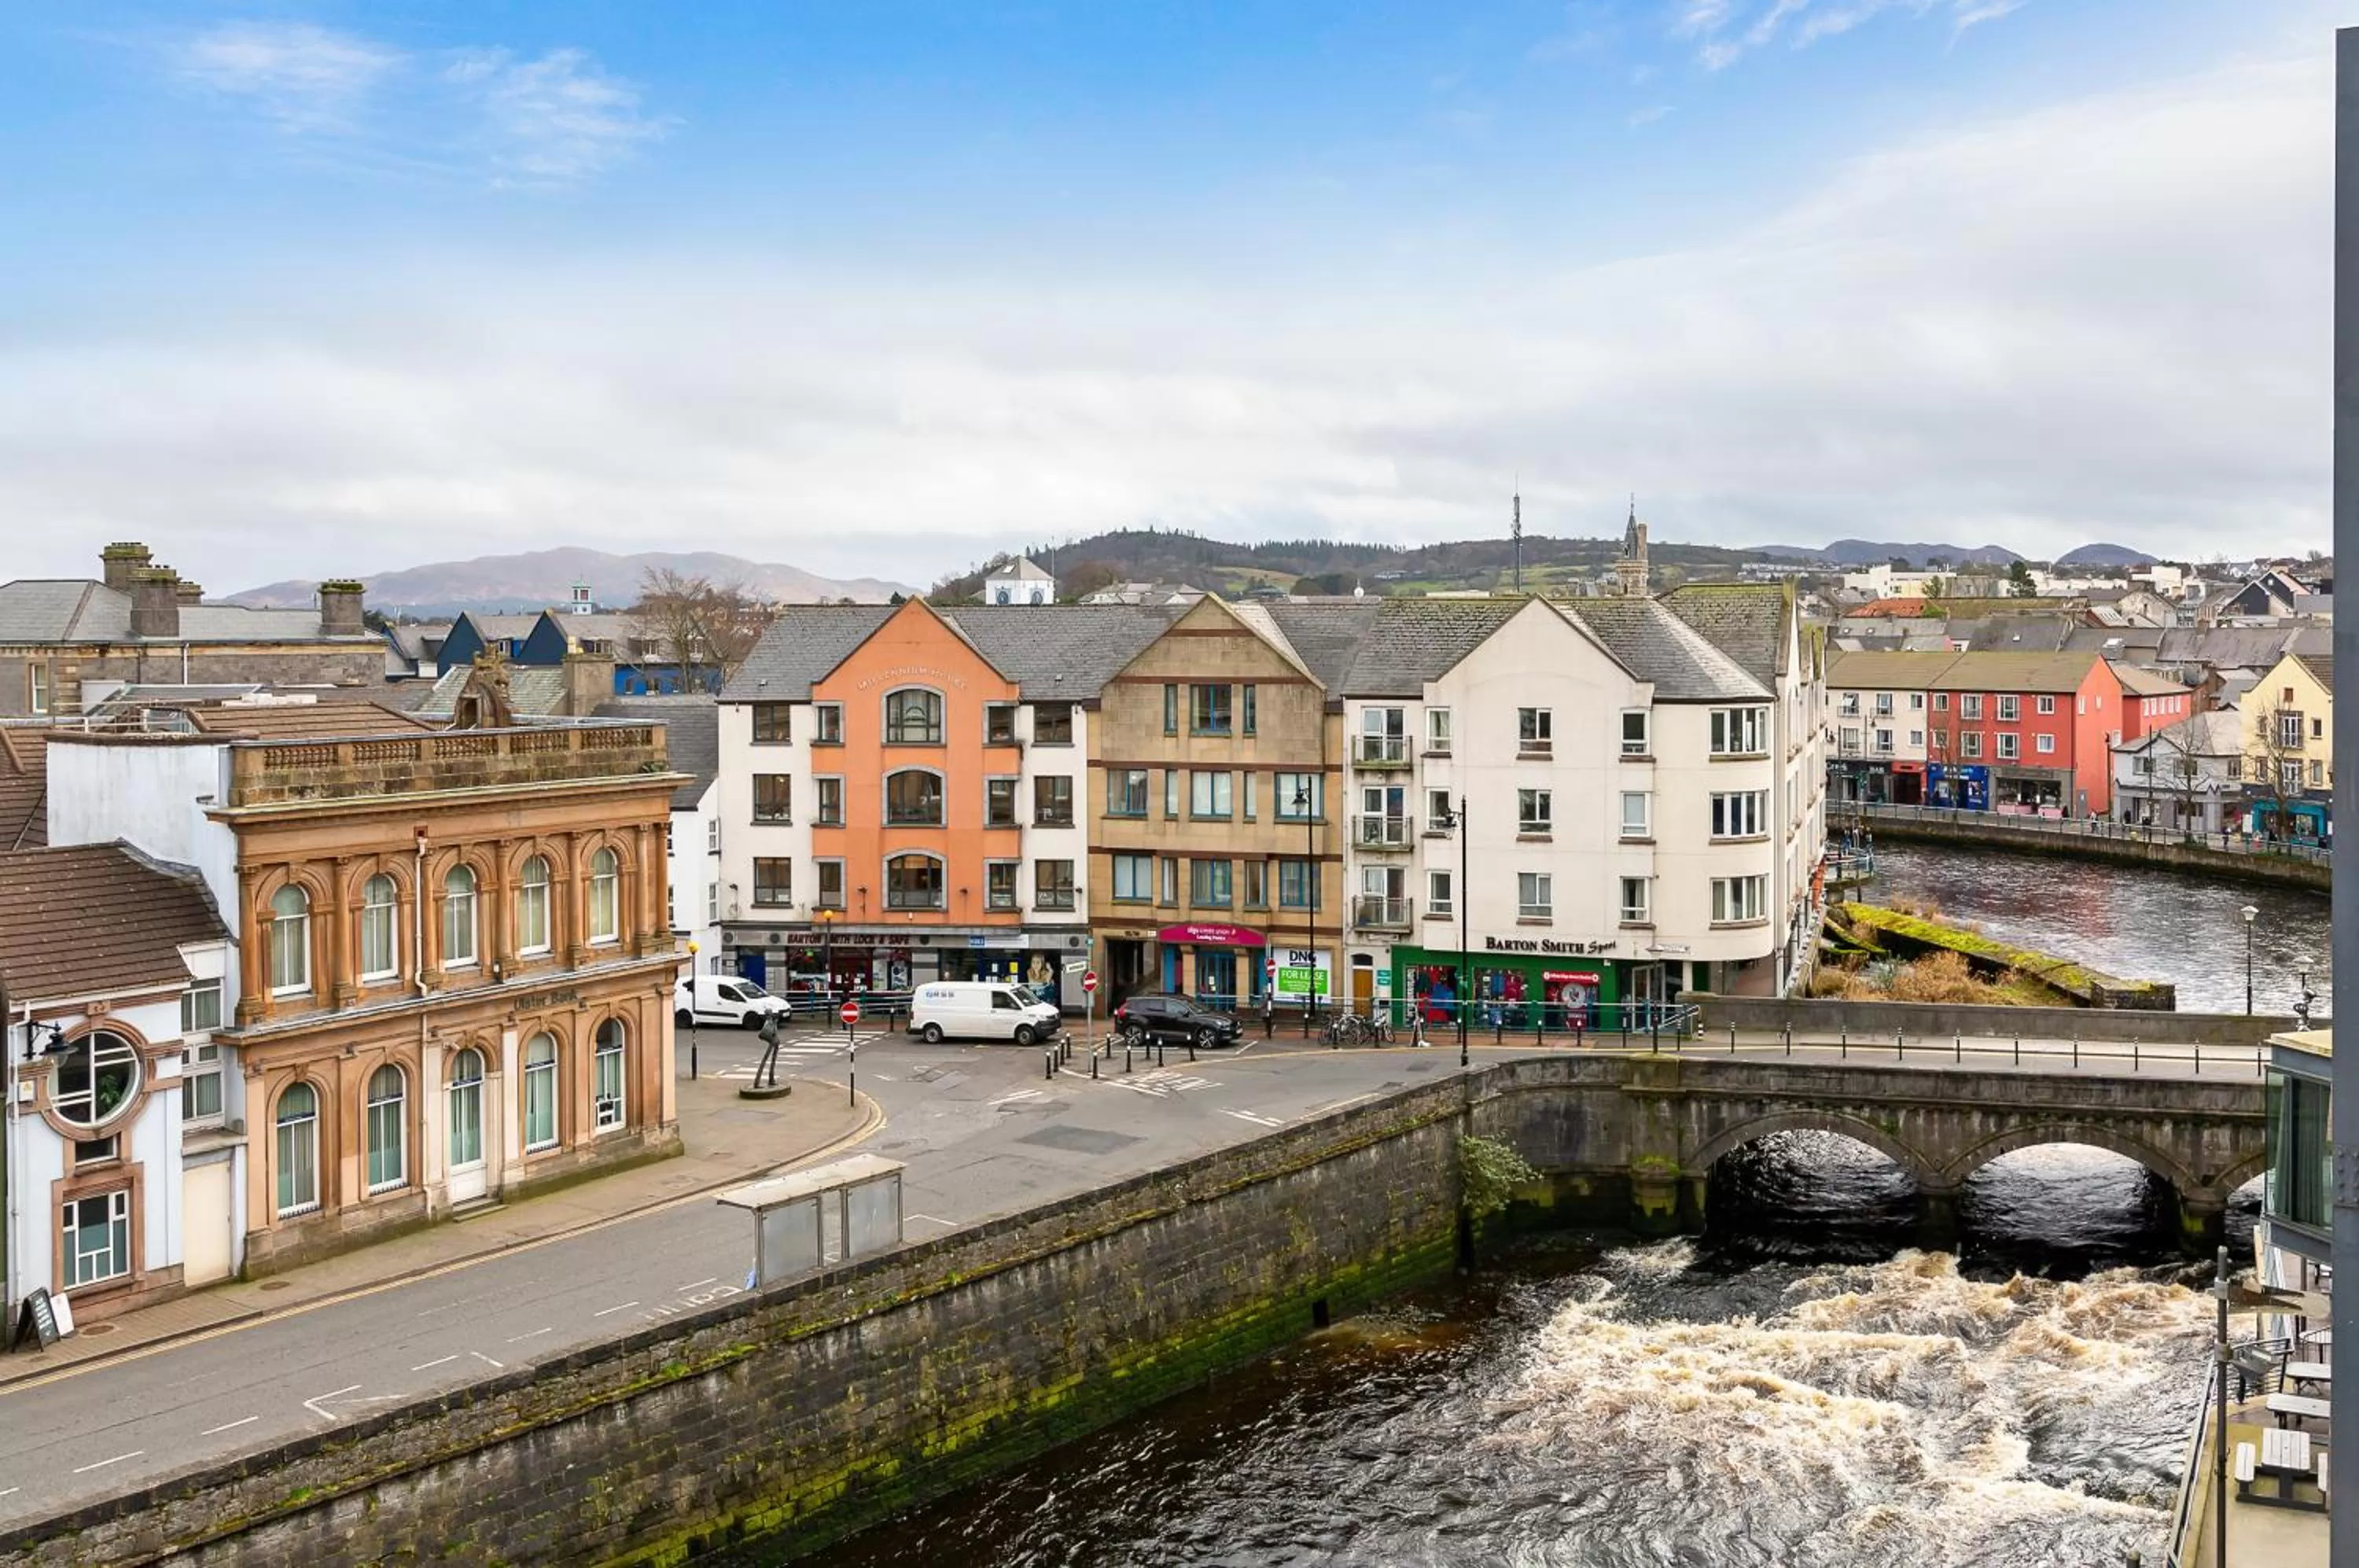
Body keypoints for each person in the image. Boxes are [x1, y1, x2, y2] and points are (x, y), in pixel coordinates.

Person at [756, 1009, 782, 1089]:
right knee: (766, 1059)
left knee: (771, 1060)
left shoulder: (770, 1022)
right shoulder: (769, 1022)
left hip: (774, 1041)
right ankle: (757, 1083)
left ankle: (771, 1079)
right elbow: (767, 1033)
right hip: (772, 1040)